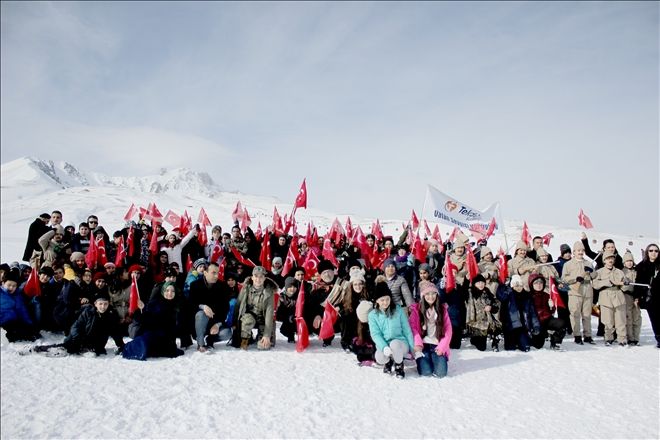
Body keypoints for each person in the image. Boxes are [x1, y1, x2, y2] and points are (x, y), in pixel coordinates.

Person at [122, 282, 185, 360]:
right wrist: (142, 309)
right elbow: (143, 318)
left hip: (168, 338)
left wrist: (185, 342)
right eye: (167, 290)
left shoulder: (178, 305)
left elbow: (182, 324)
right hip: (153, 333)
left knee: (169, 351)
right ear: (163, 291)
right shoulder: (155, 303)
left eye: (172, 291)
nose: (170, 293)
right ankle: (129, 348)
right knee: (145, 342)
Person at [368, 277, 414, 379]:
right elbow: (375, 334)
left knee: (395, 344)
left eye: (387, 299)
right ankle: (388, 362)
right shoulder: (373, 315)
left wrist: (413, 348)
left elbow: (407, 330)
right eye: (382, 300)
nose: (385, 302)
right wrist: (384, 347)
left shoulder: (398, 310)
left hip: (401, 343)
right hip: (386, 344)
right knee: (379, 357)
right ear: (377, 301)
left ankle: (399, 365)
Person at [409, 280, 452, 378]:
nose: (431, 296)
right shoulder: (417, 310)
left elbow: (448, 330)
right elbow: (413, 328)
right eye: (427, 294)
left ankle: (436, 358)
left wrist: (442, 347)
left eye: (433, 294)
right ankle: (423, 360)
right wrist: (418, 344)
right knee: (426, 372)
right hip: (423, 344)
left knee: (441, 373)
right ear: (423, 295)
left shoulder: (442, 309)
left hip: (437, 344)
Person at [188, 262, 231, 352]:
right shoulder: (195, 285)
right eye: (213, 273)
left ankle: (210, 340)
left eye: (217, 273)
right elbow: (191, 304)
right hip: (199, 324)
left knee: (227, 333)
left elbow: (225, 308)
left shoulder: (223, 286)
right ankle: (200, 344)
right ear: (205, 272)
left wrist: (218, 324)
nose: (216, 276)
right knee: (201, 313)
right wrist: (203, 306)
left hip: (215, 323)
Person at [232, 266, 276, 350]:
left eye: (261, 277)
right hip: (250, 317)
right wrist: (235, 323)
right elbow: (238, 305)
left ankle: (260, 337)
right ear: (252, 277)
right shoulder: (246, 288)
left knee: (264, 346)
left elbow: (269, 313)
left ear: (264, 278)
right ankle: (246, 339)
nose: (258, 279)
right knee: (247, 320)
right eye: (256, 276)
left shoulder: (269, 292)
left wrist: (266, 335)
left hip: (263, 319)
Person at [561, 241, 596, 345]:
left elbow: (594, 276)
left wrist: (591, 272)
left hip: (587, 289)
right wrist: (575, 278)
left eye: (582, 250)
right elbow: (564, 278)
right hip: (575, 290)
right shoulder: (568, 264)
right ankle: (577, 335)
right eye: (578, 250)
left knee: (587, 314)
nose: (581, 252)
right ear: (574, 252)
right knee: (575, 313)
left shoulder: (588, 263)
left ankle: (588, 336)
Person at [592, 251, 628, 346]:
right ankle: (608, 338)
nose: (610, 260)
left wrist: (625, 284)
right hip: (605, 297)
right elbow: (595, 285)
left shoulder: (619, 272)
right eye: (608, 259)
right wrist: (607, 282)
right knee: (607, 321)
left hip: (618, 296)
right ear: (604, 260)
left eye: (612, 258)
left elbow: (624, 286)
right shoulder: (599, 272)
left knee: (620, 320)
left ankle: (622, 339)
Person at [496, 275, 540, 351]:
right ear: (512, 286)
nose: (519, 287)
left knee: (526, 347)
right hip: (510, 327)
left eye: (520, 285)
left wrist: (536, 326)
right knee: (510, 348)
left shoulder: (527, 296)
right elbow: (500, 296)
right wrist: (504, 285)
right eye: (516, 285)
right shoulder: (508, 294)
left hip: (522, 327)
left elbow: (533, 313)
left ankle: (522, 340)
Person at [1, 270, 40, 342]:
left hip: (14, 321)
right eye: (9, 285)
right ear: (3, 283)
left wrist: (29, 323)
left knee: (31, 332)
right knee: (15, 334)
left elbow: (22, 310)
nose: (11, 288)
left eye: (14, 286)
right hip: (3, 323)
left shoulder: (17, 295)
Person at [529, 274, 566, 350]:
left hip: (547, 319)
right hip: (535, 323)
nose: (539, 285)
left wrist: (552, 306)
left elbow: (552, 311)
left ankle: (555, 342)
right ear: (531, 284)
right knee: (538, 345)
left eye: (541, 283)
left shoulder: (547, 295)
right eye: (536, 283)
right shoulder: (528, 296)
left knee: (561, 324)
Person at [466, 274, 501, 351]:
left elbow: (496, 303)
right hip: (475, 322)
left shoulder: (487, 292)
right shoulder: (470, 292)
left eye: (482, 282)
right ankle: (474, 338)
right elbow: (462, 291)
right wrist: (466, 280)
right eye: (478, 283)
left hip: (487, 320)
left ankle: (495, 341)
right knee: (481, 348)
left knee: (497, 328)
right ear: (474, 284)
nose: (481, 284)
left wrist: (491, 307)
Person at [635, 243, 660, 348]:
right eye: (651, 251)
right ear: (647, 252)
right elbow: (638, 282)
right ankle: (659, 338)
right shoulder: (642, 266)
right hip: (650, 298)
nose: (653, 253)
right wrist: (636, 297)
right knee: (655, 319)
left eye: (656, 251)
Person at [621, 251, 641, 346]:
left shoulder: (637, 271)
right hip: (626, 296)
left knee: (636, 317)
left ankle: (636, 337)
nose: (629, 263)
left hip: (636, 297)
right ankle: (630, 337)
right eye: (627, 261)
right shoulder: (622, 272)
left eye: (631, 261)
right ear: (624, 262)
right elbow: (621, 286)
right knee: (628, 318)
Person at [276, 277, 299, 343]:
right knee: (284, 329)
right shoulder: (282, 297)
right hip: (286, 318)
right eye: (290, 286)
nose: (292, 289)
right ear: (286, 287)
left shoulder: (299, 296)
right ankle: (290, 335)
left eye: (294, 287)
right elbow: (279, 314)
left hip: (296, 318)